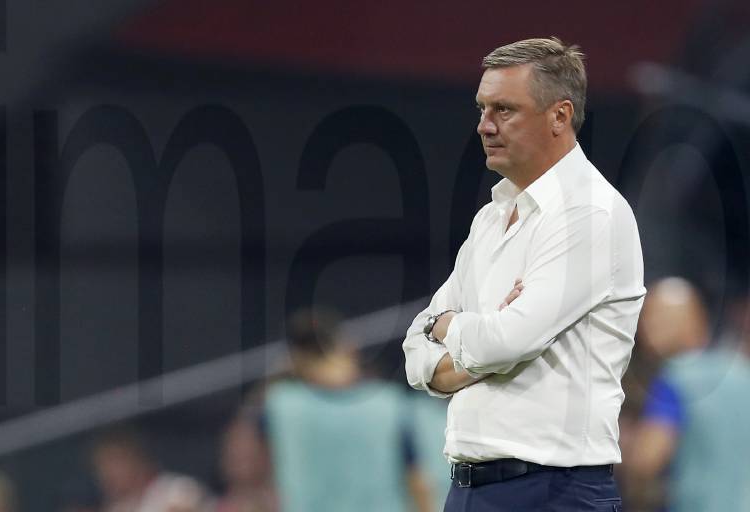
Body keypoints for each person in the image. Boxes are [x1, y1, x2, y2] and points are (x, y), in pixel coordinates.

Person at [402, 37, 646, 511]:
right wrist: (477, 338)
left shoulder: (590, 212)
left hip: (554, 491)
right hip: (468, 489)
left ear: (560, 116)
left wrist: (447, 326)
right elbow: (416, 351)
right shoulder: (491, 217)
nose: (484, 125)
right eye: (482, 108)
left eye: (504, 109)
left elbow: (505, 341)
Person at [262, 307, 433, 512]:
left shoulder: (281, 404)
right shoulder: (389, 403)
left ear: (294, 357)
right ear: (347, 346)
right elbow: (418, 482)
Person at [626, 279, 750, 511]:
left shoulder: (675, 380)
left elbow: (647, 459)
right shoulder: (743, 371)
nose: (647, 329)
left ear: (696, 322)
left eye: (658, 318)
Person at [90, 425, 212, 512]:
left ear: (136, 457)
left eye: (114, 462)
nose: (106, 473)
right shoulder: (117, 508)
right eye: (101, 467)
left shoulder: (177, 490)